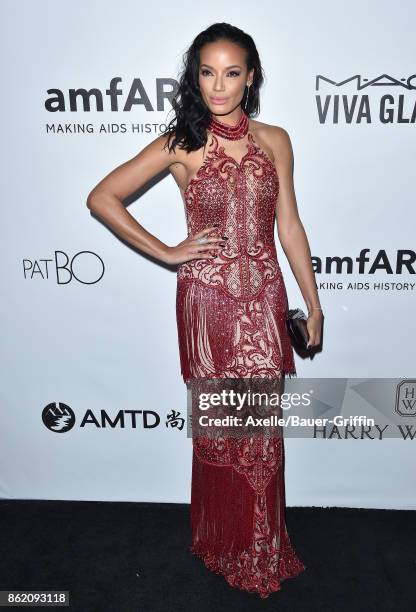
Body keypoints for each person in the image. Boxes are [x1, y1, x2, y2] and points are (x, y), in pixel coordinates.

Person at [87, 22, 323, 598]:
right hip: (209, 303)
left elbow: (288, 226)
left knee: (261, 431)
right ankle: (223, 542)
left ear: (251, 77)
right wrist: (170, 253)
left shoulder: (276, 140)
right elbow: (102, 197)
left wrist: (312, 303)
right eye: (207, 72)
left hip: (264, 297)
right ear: (196, 78)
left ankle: (262, 545)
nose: (219, 86)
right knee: (222, 430)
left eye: (232, 72)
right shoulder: (182, 142)